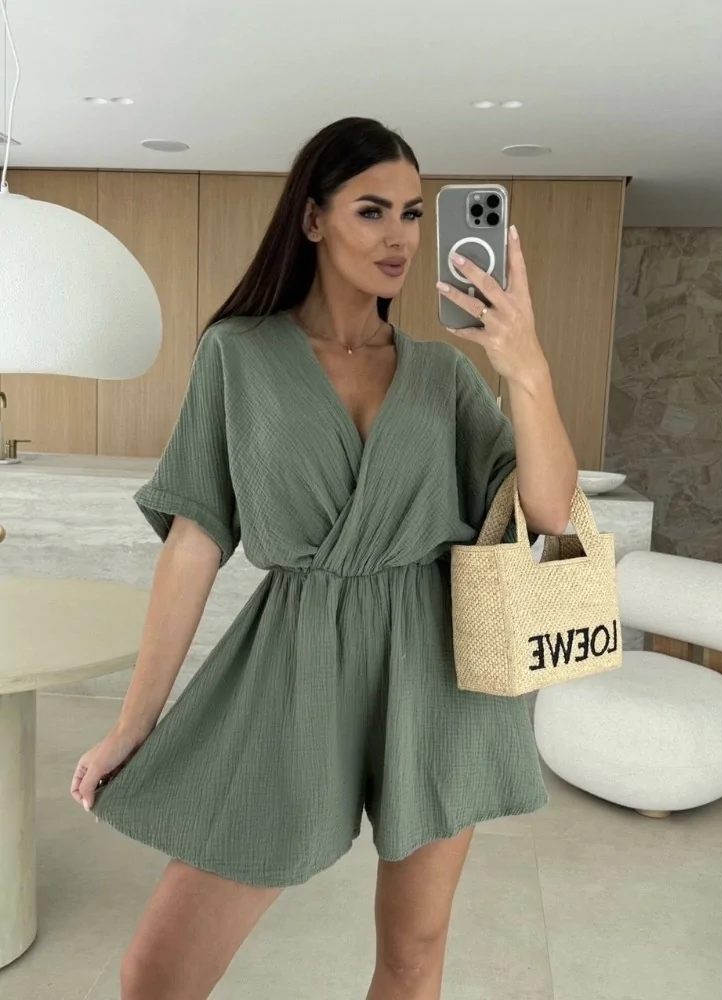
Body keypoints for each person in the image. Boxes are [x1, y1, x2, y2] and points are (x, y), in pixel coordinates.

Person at [70, 117, 577, 1000]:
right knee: (155, 973)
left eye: (413, 214)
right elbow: (194, 542)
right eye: (371, 210)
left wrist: (525, 368)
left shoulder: (444, 377)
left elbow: (550, 511)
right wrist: (134, 721)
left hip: (439, 670)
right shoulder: (238, 355)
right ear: (313, 219)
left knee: (412, 959)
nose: (399, 237)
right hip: (294, 659)